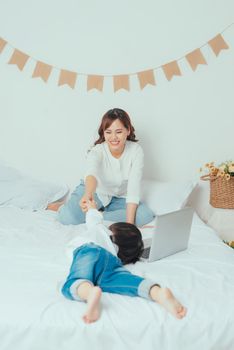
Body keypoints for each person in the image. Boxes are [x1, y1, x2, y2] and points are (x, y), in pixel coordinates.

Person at [61, 199, 187, 324]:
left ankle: (89, 293)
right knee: (124, 280)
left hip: (88, 249)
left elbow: (93, 216)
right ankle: (157, 293)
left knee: (76, 280)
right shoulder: (116, 254)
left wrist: (92, 207)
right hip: (111, 261)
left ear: (112, 229)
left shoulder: (99, 228)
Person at [57, 108, 155, 227]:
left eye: (118, 132)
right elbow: (91, 174)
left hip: (120, 198)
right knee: (67, 218)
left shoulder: (136, 151)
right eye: (108, 132)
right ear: (103, 133)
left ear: (128, 130)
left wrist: (130, 226)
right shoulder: (97, 151)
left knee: (145, 215)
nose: (113, 137)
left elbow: (133, 188)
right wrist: (88, 195)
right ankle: (59, 206)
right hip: (96, 192)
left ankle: (98, 215)